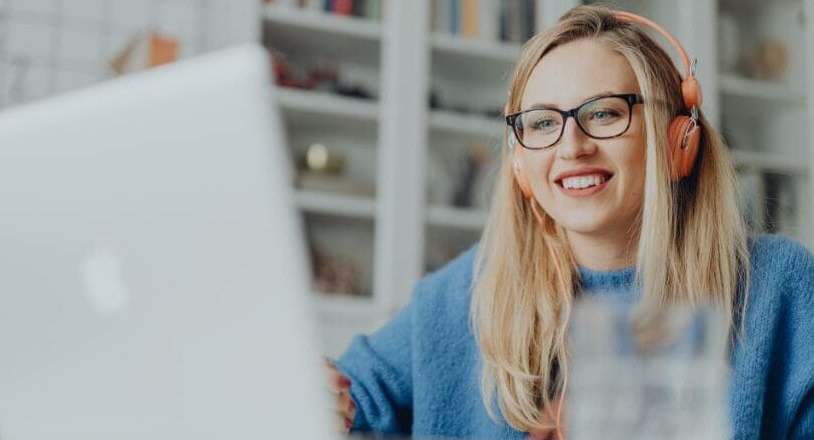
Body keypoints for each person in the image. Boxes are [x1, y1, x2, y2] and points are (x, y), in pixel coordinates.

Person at [328, 5, 814, 439]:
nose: (571, 146)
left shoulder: (778, 286)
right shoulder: (464, 293)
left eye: (603, 113)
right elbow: (350, 394)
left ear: (677, 143)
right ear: (520, 163)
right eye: (541, 122)